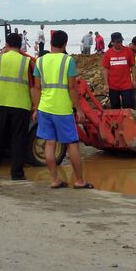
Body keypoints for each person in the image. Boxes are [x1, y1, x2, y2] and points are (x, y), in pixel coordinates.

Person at [31, 30, 93, 189]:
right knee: (72, 143)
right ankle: (79, 180)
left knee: (49, 144)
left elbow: (36, 88)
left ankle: (54, 180)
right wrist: (78, 109)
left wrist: (36, 109)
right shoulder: (68, 61)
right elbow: (72, 88)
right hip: (63, 109)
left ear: (50, 42)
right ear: (65, 44)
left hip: (45, 108)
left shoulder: (40, 61)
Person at [0, 33, 33, 180]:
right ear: (21, 45)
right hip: (20, 104)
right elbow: (33, 81)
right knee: (18, 140)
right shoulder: (26, 61)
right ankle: (17, 174)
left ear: (6, 44)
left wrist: (2, 52)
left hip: (0, 102)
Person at [102, 32, 135, 109]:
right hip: (113, 85)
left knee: (127, 106)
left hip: (126, 85)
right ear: (112, 42)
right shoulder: (108, 53)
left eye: (121, 41)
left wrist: (134, 80)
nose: (120, 44)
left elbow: (132, 65)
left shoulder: (128, 51)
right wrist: (106, 84)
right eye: (117, 42)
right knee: (115, 106)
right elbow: (105, 69)